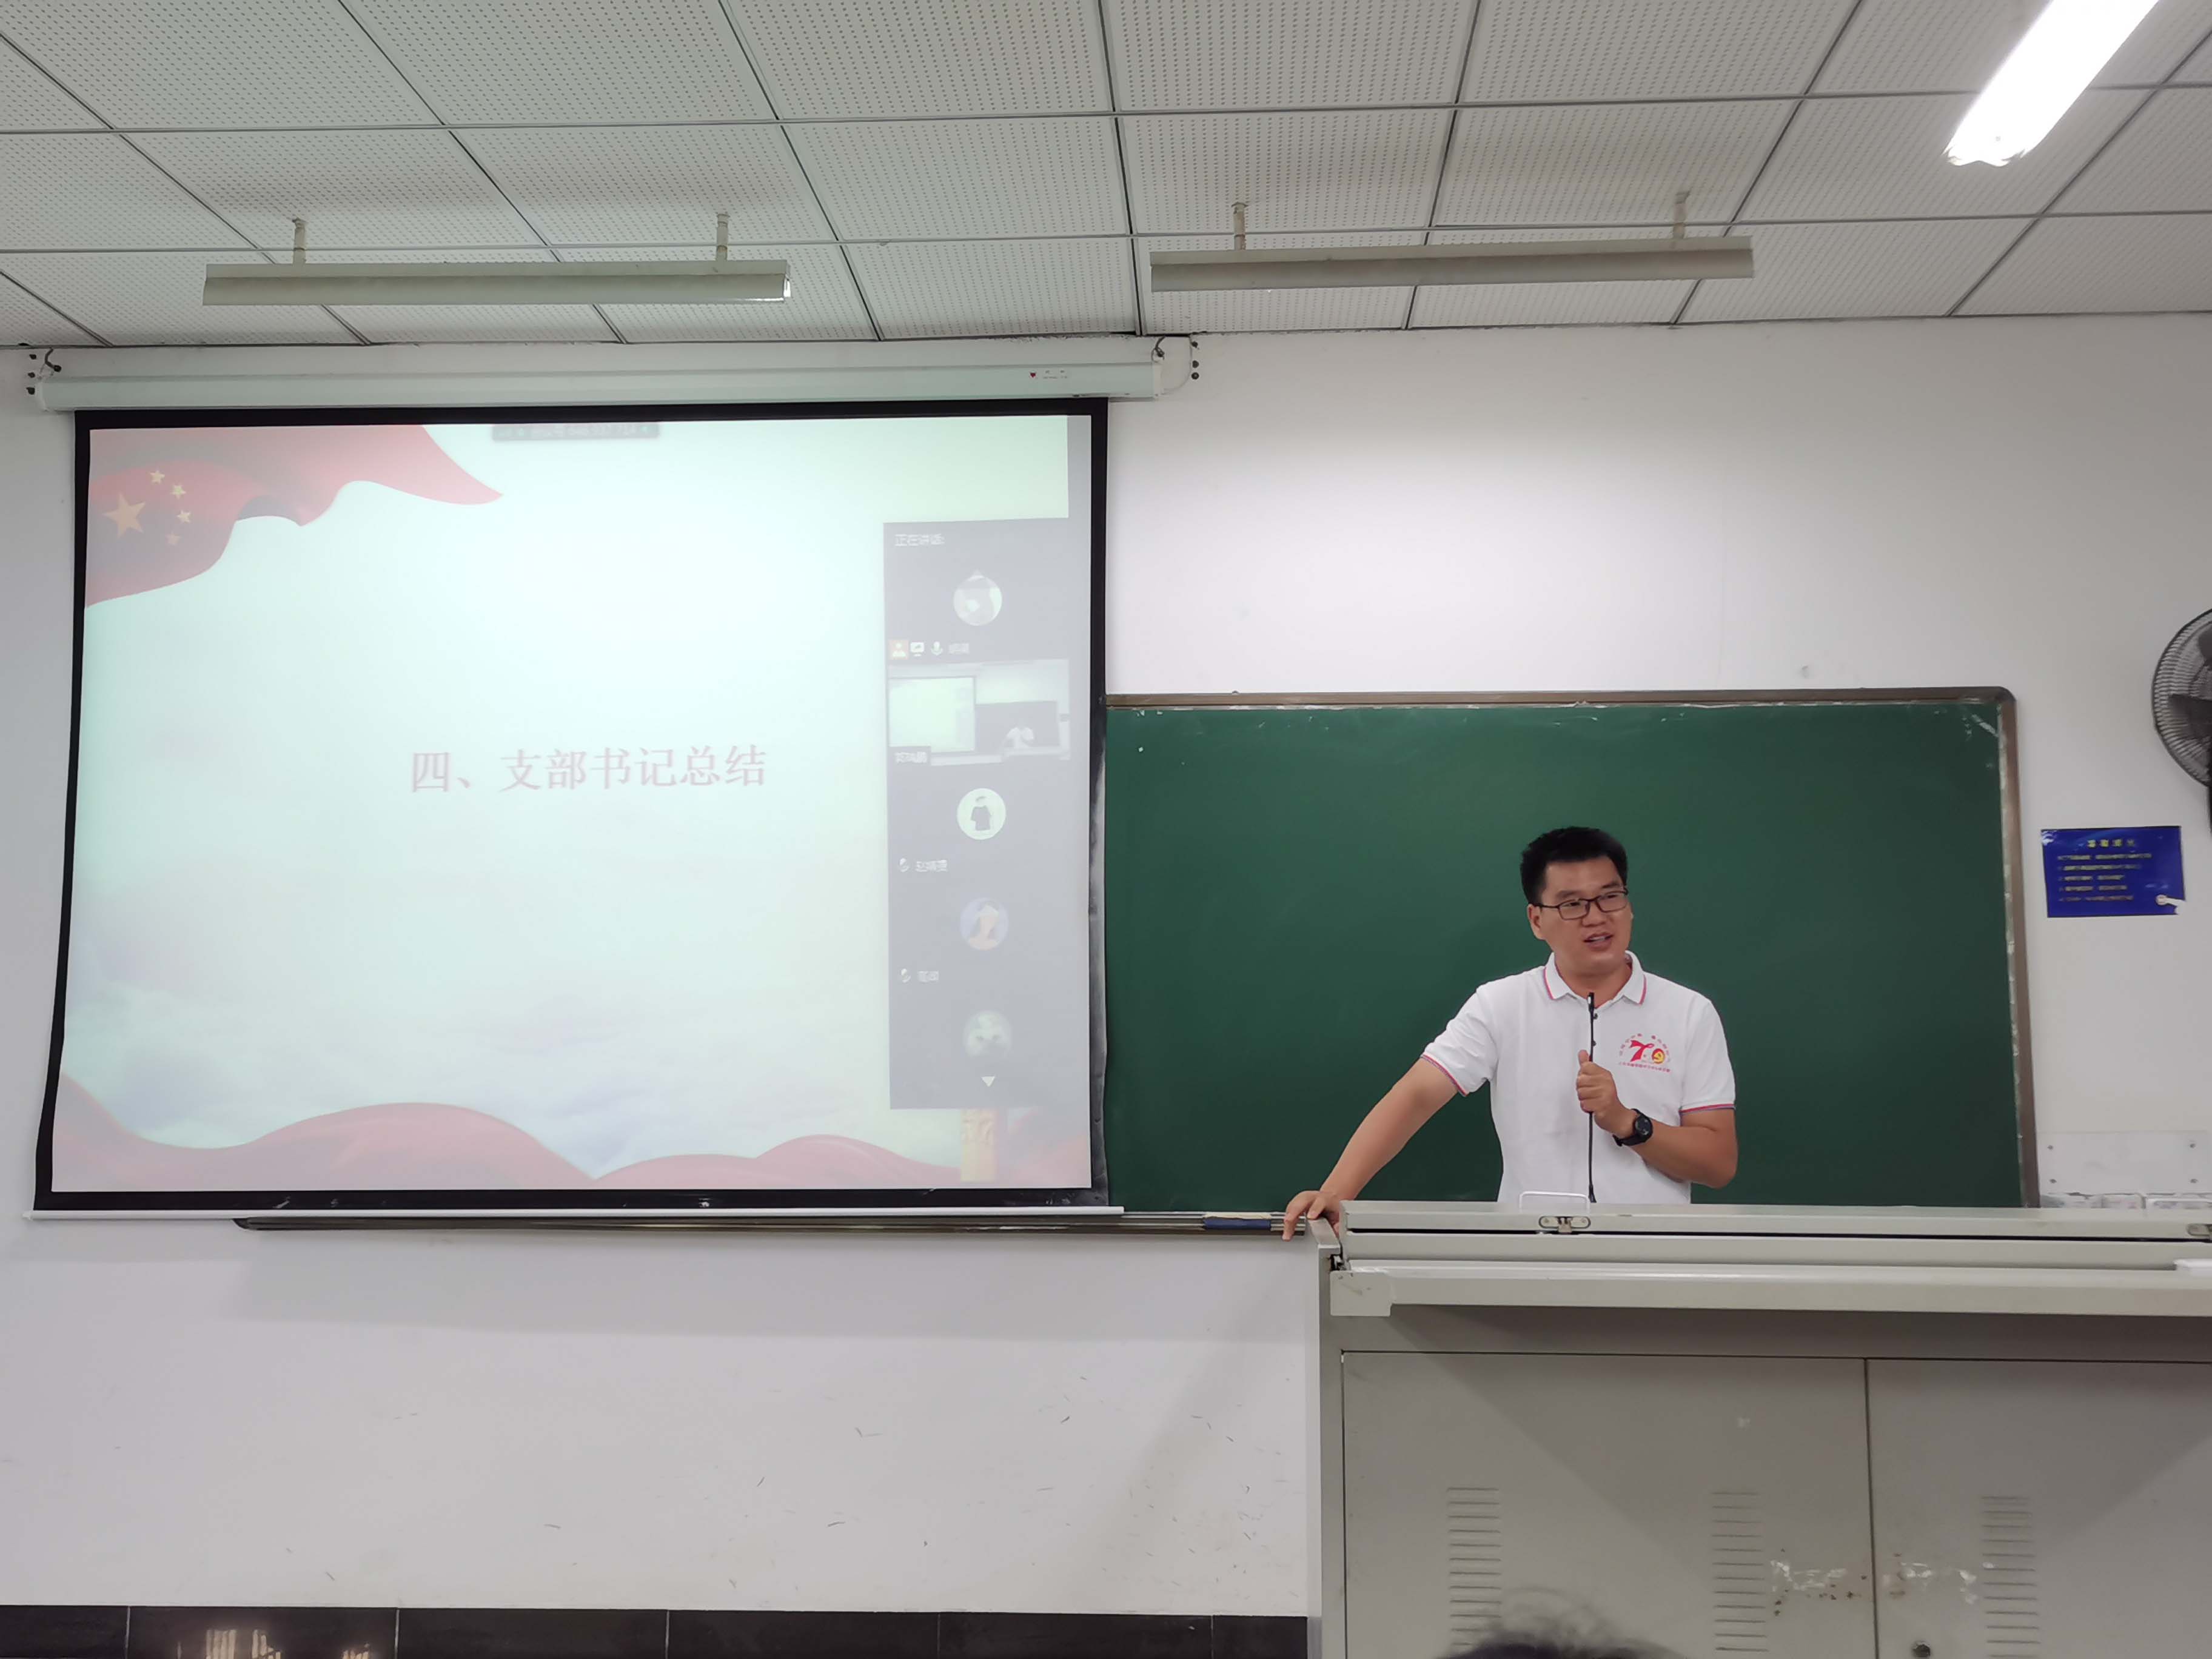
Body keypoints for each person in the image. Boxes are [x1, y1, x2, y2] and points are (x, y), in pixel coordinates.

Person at [1283, 826, 1737, 1236]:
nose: (1597, 917)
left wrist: (1627, 1123)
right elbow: (1418, 1094)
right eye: (1573, 904)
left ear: (1629, 905)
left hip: (1655, 1256)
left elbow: (1718, 1164)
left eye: (1610, 897)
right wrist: (1336, 1192)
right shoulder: (1501, 1005)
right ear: (1537, 920)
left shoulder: (1688, 1013)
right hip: (1530, 1255)